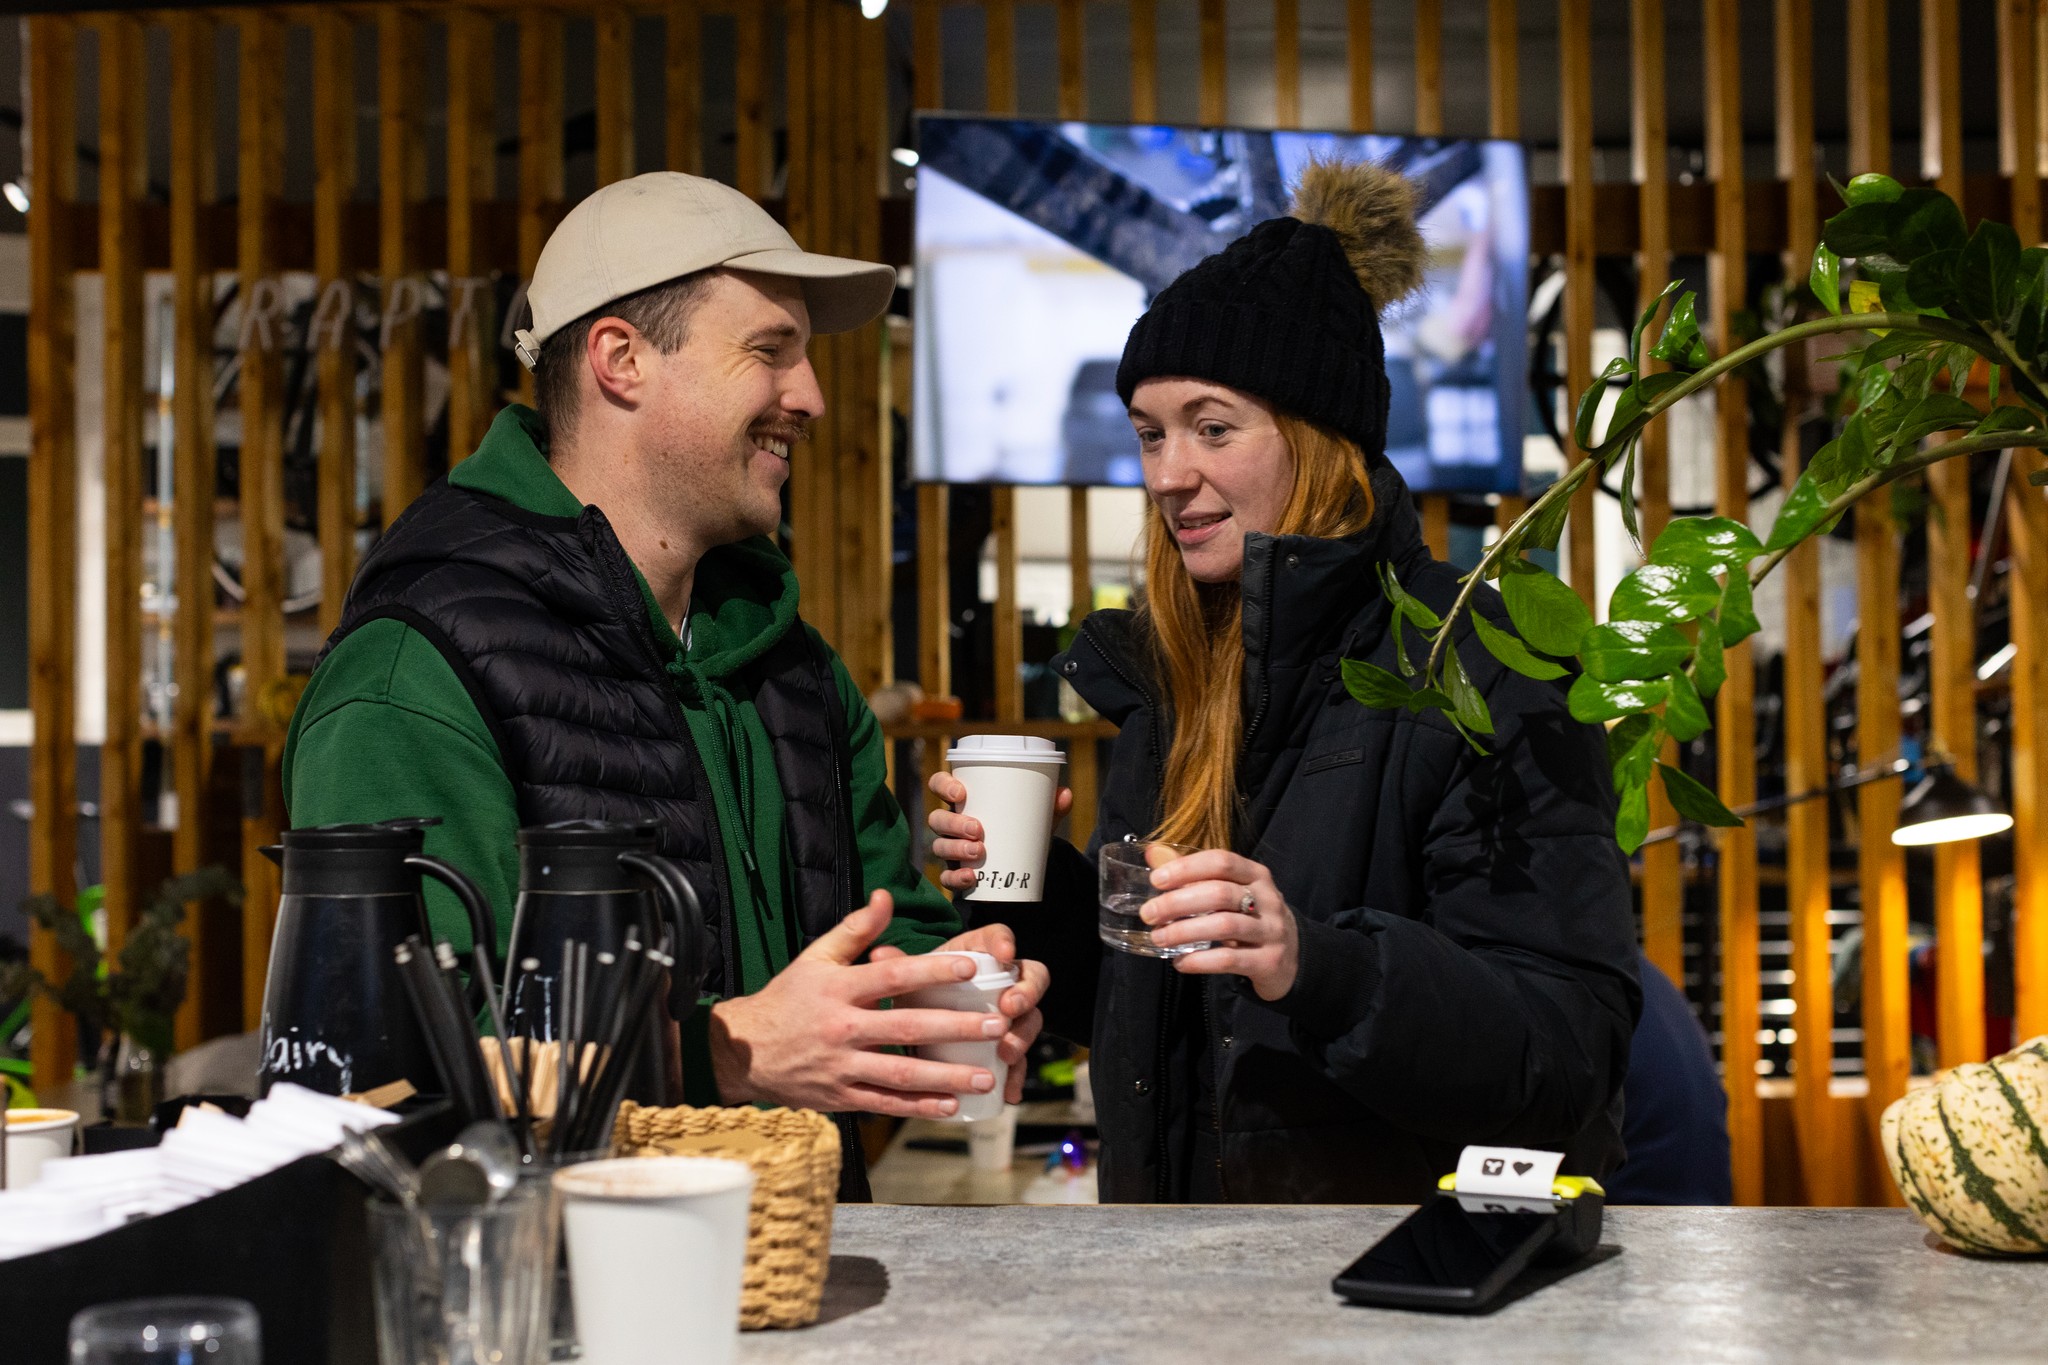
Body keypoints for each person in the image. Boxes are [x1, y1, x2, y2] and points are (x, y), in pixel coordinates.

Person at [284, 173, 1046, 1195]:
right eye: (770, 351)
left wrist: (954, 999)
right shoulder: (411, 677)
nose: (812, 397)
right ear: (621, 359)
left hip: (799, 1291)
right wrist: (717, 1054)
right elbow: (382, 1094)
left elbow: (876, 947)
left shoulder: (794, 669)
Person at [929, 159, 1642, 1203]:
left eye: (1212, 428)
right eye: (1149, 434)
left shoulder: (1478, 660)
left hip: (1396, 1294)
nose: (1169, 474)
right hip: (1189, 1290)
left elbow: (1566, 1061)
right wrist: (1028, 890)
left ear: (1320, 439)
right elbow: (1161, 1025)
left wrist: (1313, 961)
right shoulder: (1175, 674)